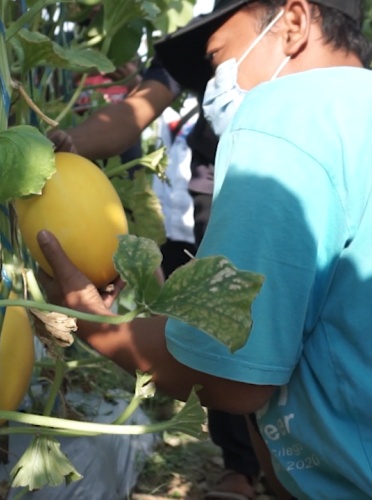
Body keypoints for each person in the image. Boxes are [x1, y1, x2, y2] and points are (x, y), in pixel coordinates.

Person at [39, 0, 372, 498]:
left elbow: (233, 375)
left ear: (295, 24)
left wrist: (93, 323)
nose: (218, 82)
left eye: (219, 58)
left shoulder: (281, 115)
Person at [49, 34, 262, 500]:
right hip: (200, 196)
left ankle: (271, 462)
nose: (218, 66)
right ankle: (244, 464)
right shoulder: (204, 44)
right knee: (217, 324)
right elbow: (133, 113)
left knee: (252, 335)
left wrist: (99, 328)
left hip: (238, 189)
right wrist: (63, 145)